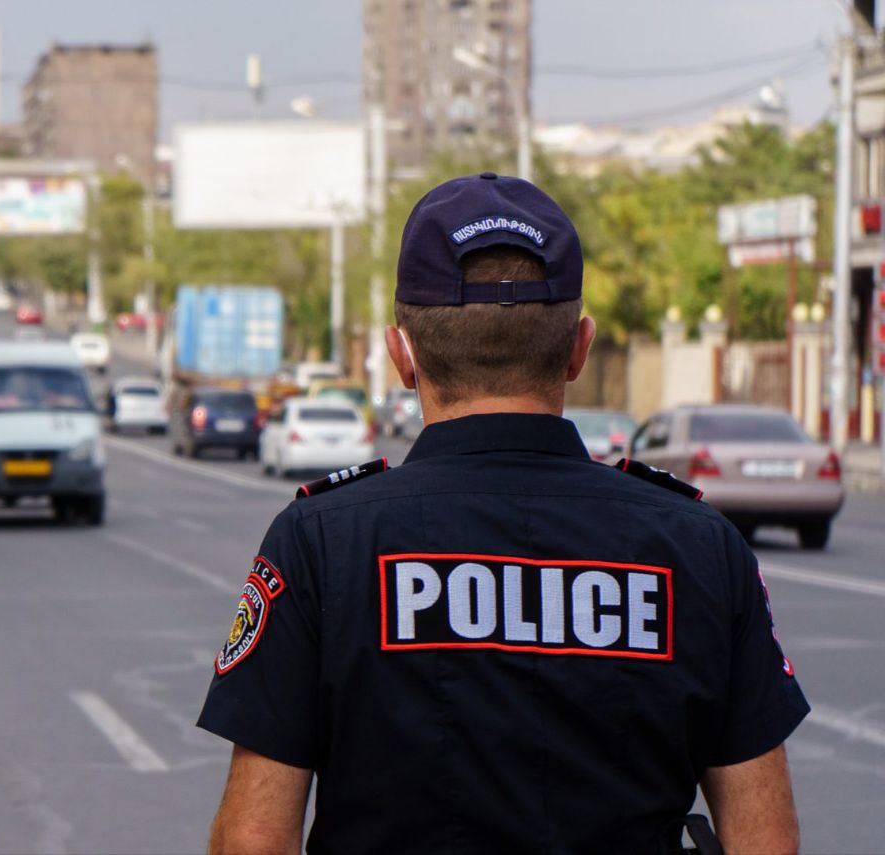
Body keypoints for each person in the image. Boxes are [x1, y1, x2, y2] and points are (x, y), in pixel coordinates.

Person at [197, 173, 808, 854]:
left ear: (401, 355)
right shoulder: (699, 545)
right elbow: (766, 841)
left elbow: (254, 840)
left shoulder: (321, 541)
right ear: (579, 348)